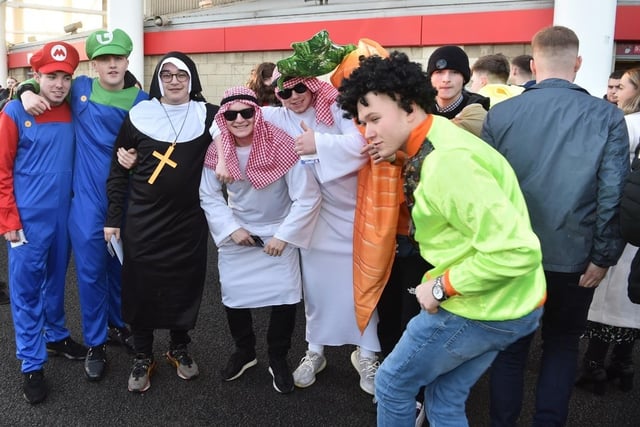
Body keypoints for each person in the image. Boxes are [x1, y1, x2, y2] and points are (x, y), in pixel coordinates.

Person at [337, 50, 545, 426]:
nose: (367, 132)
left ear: (410, 105)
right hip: (515, 302)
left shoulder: (448, 163)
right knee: (445, 396)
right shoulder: (436, 137)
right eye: (361, 122)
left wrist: (438, 288)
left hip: (483, 306)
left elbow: (516, 251)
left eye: (374, 119)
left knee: (392, 383)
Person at [483, 26, 629, 426]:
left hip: (513, 255)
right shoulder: (608, 116)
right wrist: (603, 256)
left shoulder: (503, 113)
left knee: (511, 349)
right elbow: (611, 194)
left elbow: (486, 193)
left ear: (533, 65)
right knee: (562, 346)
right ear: (578, 63)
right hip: (575, 256)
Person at [18, 29, 147, 382]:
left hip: (126, 199)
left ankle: (119, 323)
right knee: (91, 273)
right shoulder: (81, 90)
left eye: (117, 57)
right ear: (93, 63)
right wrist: (23, 91)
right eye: (104, 58)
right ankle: (95, 342)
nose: (111, 64)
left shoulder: (143, 101)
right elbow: (45, 85)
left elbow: (156, 150)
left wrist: (138, 157)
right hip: (87, 201)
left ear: (127, 60)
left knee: (122, 268)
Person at [260, 70, 381, 395]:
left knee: (362, 285)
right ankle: (315, 351)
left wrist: (318, 142)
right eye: (285, 93)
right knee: (317, 287)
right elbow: (226, 120)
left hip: (356, 210)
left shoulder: (338, 106)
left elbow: (360, 143)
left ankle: (367, 354)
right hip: (313, 214)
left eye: (300, 88)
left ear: (313, 86)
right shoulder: (276, 115)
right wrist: (225, 159)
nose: (294, 96)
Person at [105, 51, 218, 393]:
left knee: (184, 283)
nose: (173, 81)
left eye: (180, 75)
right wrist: (113, 218)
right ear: (158, 80)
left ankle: (178, 347)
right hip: (144, 218)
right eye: (166, 75)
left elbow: (252, 117)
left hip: (188, 220)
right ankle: (142, 354)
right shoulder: (140, 115)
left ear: (191, 79)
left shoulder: (208, 115)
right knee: (141, 284)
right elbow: (118, 170)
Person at [200, 86, 321, 393]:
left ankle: (277, 357)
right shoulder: (218, 151)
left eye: (246, 112)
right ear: (223, 119)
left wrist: (283, 236)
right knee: (234, 297)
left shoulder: (282, 144)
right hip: (238, 232)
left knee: (286, 298)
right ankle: (245, 351)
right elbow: (209, 196)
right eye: (231, 114)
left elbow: (306, 197)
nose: (239, 119)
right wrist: (231, 229)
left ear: (258, 112)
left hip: (279, 232)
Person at [0, 41, 86, 404]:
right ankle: (31, 363)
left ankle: (56, 336)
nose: (59, 84)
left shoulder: (72, 108)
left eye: (65, 77)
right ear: (36, 74)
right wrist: (8, 219)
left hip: (63, 215)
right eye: (51, 76)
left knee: (55, 280)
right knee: (25, 291)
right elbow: (1, 170)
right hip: (28, 220)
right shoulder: (15, 114)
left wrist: (24, 90)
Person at [577, 67, 640, 395]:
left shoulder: (626, 125)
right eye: (611, 86)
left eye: (621, 87)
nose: (613, 92)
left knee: (608, 297)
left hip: (619, 220)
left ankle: (595, 367)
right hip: (636, 224)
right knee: (631, 300)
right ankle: (623, 364)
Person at [426, 45, 490, 136]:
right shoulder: (418, 110)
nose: (446, 79)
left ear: (464, 78)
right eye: (439, 72)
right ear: (430, 78)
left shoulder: (479, 115)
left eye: (454, 72)